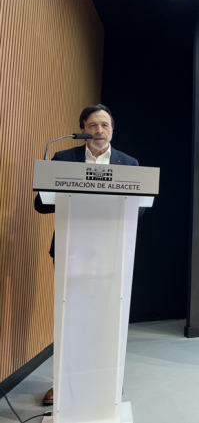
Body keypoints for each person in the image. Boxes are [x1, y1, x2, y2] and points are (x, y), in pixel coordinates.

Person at [34, 104, 143, 406]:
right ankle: (62, 382)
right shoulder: (63, 158)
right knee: (71, 319)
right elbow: (40, 205)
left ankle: (106, 379)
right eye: (93, 125)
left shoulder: (128, 163)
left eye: (105, 125)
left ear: (112, 129)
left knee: (107, 316)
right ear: (82, 128)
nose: (99, 131)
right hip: (71, 251)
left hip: (111, 252)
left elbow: (141, 207)